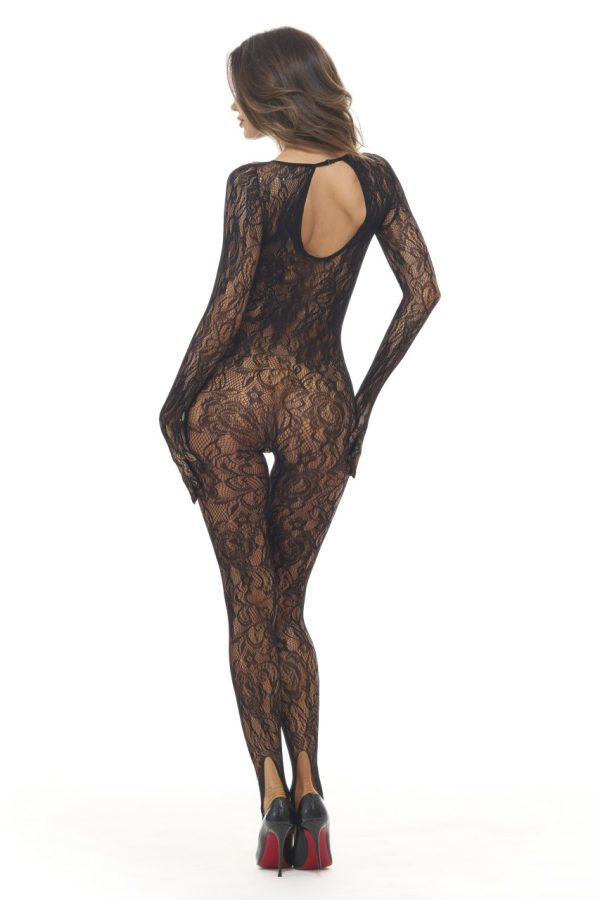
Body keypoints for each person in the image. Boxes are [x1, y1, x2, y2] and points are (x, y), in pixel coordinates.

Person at [159, 26, 441, 875]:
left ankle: (272, 798)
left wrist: (174, 404)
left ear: (273, 96)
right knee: (288, 606)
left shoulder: (253, 186)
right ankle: (313, 793)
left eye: (241, 92)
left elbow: (227, 308)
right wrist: (363, 402)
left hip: (234, 402)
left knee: (250, 607)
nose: (234, 107)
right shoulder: (374, 178)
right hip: (321, 404)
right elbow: (423, 293)